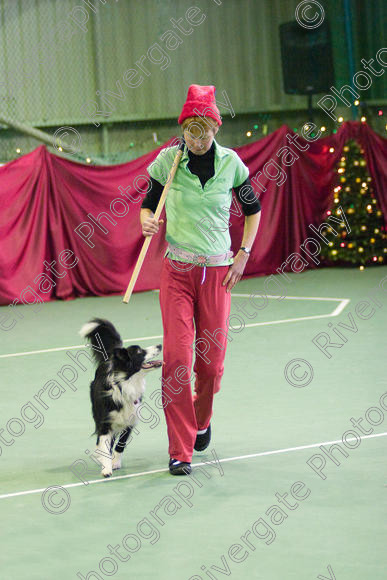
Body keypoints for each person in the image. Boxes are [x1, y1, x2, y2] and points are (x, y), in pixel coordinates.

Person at [140, 84, 261, 475]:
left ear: (215, 128)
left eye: (203, 130)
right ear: (183, 129)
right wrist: (147, 220)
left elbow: (253, 208)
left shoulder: (231, 164)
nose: (196, 138)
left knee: (210, 365)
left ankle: (202, 418)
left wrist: (243, 253)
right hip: (177, 272)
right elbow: (148, 203)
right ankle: (181, 449)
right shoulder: (168, 161)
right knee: (177, 360)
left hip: (217, 273)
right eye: (190, 130)